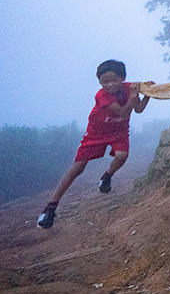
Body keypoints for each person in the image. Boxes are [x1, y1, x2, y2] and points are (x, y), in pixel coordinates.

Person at [37, 60, 152, 229]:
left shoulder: (130, 88)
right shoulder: (101, 96)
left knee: (122, 156)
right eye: (105, 81)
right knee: (78, 167)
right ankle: (50, 207)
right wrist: (134, 97)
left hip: (118, 131)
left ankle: (106, 177)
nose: (110, 84)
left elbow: (139, 109)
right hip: (96, 133)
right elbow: (123, 111)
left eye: (114, 80)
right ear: (99, 82)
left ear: (122, 78)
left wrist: (148, 93)